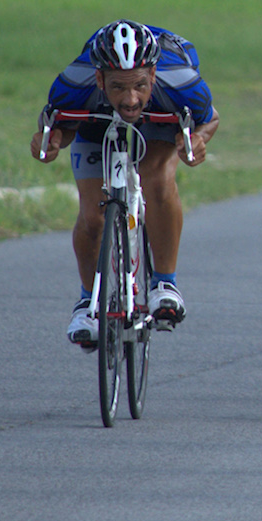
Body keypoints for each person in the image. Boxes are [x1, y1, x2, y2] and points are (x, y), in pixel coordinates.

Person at [33, 21, 219, 348]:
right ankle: (88, 304)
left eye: (140, 85)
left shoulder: (181, 82)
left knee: (156, 178)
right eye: (118, 87)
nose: (131, 99)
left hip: (162, 119)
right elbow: (58, 126)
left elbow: (210, 118)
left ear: (154, 74)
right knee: (93, 216)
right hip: (95, 123)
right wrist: (51, 142)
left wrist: (197, 140)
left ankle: (165, 284)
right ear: (99, 78)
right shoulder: (73, 83)